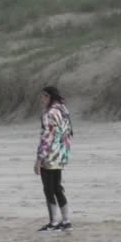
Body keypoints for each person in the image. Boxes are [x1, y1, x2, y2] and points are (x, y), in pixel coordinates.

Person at [35, 86, 73, 232]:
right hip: (62, 155)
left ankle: (53, 223)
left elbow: (46, 137)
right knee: (57, 187)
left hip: (50, 156)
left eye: (43, 97)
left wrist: (39, 159)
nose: (41, 100)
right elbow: (68, 132)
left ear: (49, 97)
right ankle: (66, 221)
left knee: (48, 189)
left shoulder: (49, 113)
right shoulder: (63, 110)